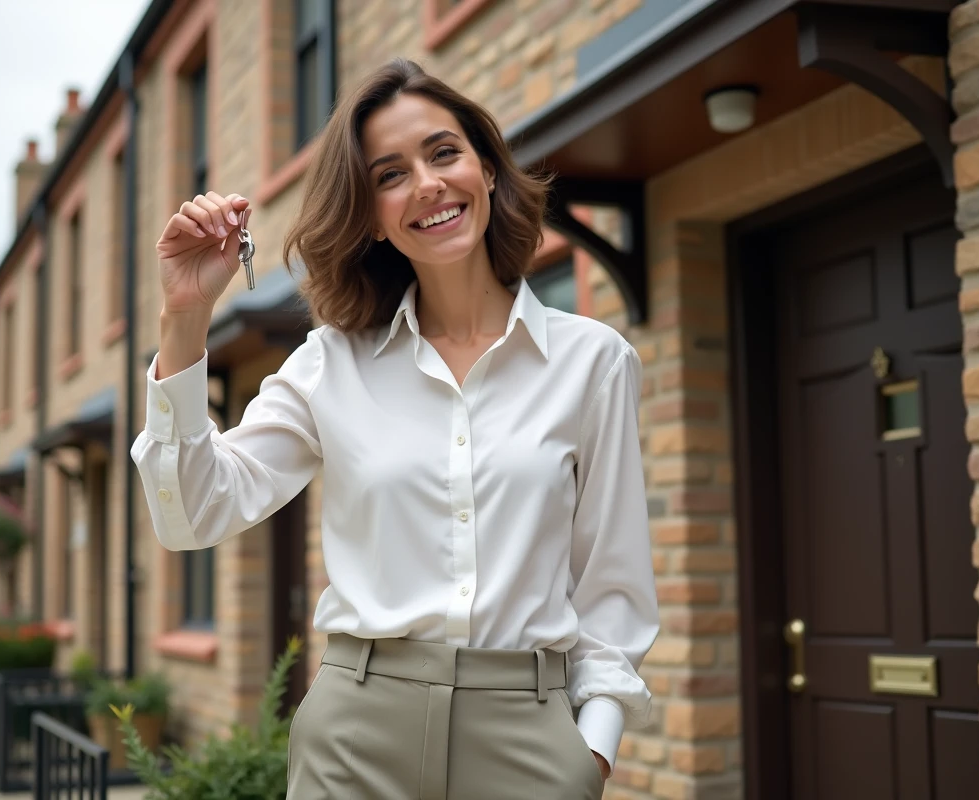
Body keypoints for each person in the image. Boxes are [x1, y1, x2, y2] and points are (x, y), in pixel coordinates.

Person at [132, 57, 659, 800]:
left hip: (529, 736)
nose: (427, 184)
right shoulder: (331, 365)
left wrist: (589, 755)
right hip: (357, 736)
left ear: (487, 169)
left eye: (444, 153)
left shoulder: (592, 362)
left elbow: (613, 584)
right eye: (390, 175)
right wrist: (184, 319)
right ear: (371, 217)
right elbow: (193, 514)